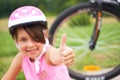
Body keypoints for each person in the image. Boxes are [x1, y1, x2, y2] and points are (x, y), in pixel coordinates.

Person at [1, 6, 74, 80]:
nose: (30, 45)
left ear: (45, 35)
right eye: (23, 40)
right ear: (16, 40)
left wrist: (61, 55)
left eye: (35, 38)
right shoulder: (21, 57)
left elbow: (55, 55)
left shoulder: (48, 54)